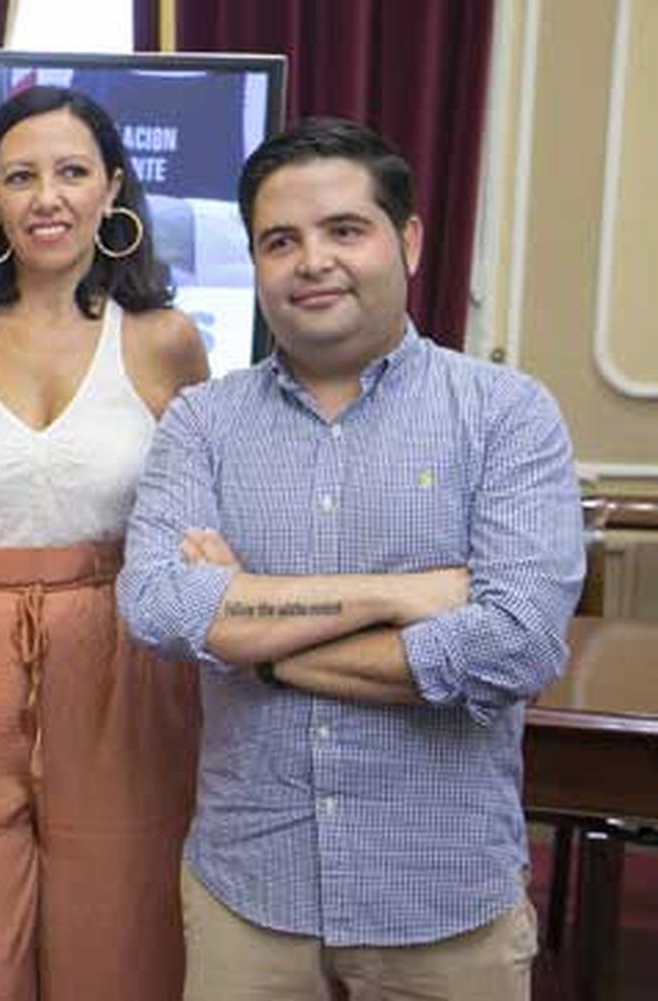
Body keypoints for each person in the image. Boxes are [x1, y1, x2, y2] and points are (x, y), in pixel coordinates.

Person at [120, 118, 585, 1000]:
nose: (312, 262)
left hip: (443, 902)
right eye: (280, 240)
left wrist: (257, 639)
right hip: (248, 899)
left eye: (344, 230)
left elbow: (515, 645)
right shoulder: (201, 424)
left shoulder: (505, 415)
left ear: (406, 240)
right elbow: (158, 605)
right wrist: (402, 594)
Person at [0, 85, 209, 1000]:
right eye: (20, 176)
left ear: (112, 191)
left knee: (119, 947)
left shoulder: (166, 342)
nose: (46, 196)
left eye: (70, 172)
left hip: (123, 660)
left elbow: (195, 524)